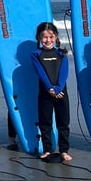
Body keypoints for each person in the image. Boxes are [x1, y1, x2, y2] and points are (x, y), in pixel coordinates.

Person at [31, 22, 71, 162]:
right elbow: (40, 72)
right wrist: (50, 89)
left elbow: (64, 72)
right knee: (45, 122)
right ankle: (47, 150)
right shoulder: (36, 54)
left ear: (56, 37)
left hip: (61, 92)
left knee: (63, 122)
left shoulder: (62, 53)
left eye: (51, 37)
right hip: (45, 92)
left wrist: (59, 88)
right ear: (39, 38)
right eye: (44, 37)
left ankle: (64, 150)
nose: (48, 40)